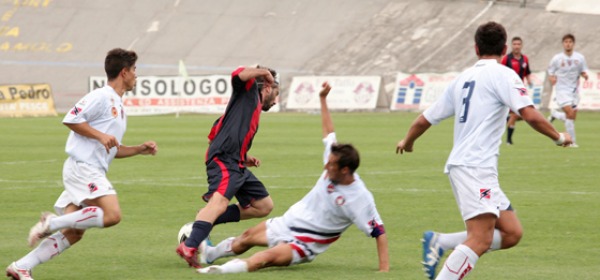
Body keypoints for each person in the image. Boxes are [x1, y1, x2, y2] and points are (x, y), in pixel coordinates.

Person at [395, 22, 572, 280]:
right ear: (503, 49)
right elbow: (530, 114)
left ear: (475, 48)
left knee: (511, 233)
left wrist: (407, 142)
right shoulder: (503, 75)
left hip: (473, 167)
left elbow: (424, 119)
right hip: (475, 167)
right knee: (480, 239)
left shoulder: (461, 79)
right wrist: (558, 137)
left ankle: (441, 242)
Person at [195, 82, 389, 274]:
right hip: (288, 222)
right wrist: (322, 98)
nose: (325, 166)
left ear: (346, 170)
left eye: (331, 165)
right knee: (246, 237)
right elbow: (329, 132)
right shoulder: (334, 160)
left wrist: (384, 270)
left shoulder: (360, 197)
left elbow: (379, 232)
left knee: (264, 259)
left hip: (306, 243)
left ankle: (217, 272)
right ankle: (210, 254)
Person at [5, 48, 158, 280]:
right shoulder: (101, 96)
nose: (137, 75)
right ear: (124, 72)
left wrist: (139, 149)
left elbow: (112, 148)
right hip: (82, 168)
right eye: (135, 70)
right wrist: (99, 135)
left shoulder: (118, 104)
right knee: (112, 215)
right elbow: (71, 118)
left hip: (89, 169)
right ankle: (51, 222)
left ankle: (22, 266)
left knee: (74, 233)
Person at [176, 65, 280, 268]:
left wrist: (245, 155)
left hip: (237, 162)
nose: (275, 101)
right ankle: (189, 245)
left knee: (264, 205)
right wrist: (263, 73)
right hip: (224, 161)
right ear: (267, 87)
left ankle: (207, 216)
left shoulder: (248, 107)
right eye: (276, 94)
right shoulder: (248, 90)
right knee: (220, 202)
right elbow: (237, 74)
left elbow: (216, 132)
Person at [547, 33, 589, 148]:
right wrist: (551, 78)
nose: (568, 44)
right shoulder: (557, 58)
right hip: (562, 90)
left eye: (570, 42)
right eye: (566, 42)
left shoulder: (579, 58)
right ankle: (572, 142)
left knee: (571, 117)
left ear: (573, 44)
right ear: (563, 44)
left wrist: (585, 75)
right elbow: (550, 71)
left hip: (574, 91)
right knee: (570, 113)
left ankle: (555, 114)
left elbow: (583, 70)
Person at [501, 36, 532, 145]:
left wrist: (530, 81)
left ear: (521, 45)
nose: (517, 46)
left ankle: (506, 119)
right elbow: (500, 72)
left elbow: (527, 72)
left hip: (520, 90)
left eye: (518, 44)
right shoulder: (506, 59)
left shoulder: (525, 59)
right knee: (515, 114)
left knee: (524, 115)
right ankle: (508, 140)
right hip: (508, 90)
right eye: (514, 44)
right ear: (511, 46)